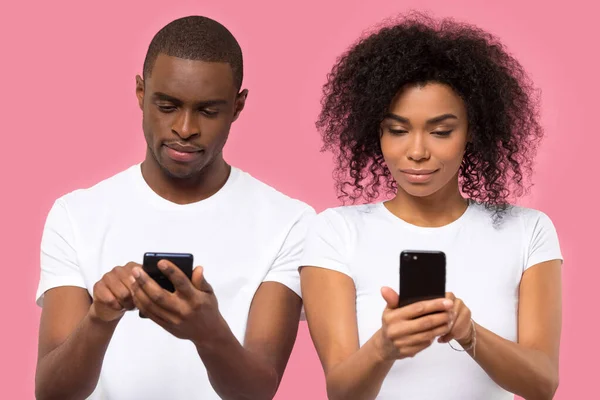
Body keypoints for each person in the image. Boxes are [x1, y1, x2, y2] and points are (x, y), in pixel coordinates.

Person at [35, 15, 314, 400]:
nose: (185, 128)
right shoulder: (75, 216)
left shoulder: (290, 223)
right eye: (167, 105)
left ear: (238, 106)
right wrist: (100, 317)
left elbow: (257, 390)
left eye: (209, 111)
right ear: (140, 92)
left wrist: (208, 331)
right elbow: (51, 392)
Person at [300, 13, 562, 400]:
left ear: (472, 130)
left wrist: (467, 332)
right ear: (377, 131)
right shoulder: (336, 232)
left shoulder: (528, 231)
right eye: (398, 130)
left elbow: (542, 384)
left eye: (441, 132)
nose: (418, 152)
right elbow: (341, 392)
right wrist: (383, 347)